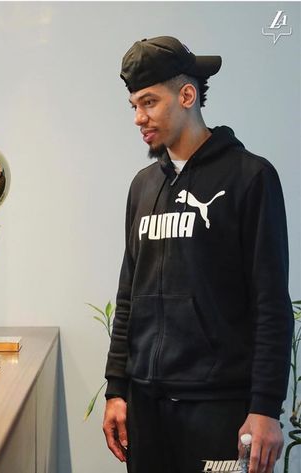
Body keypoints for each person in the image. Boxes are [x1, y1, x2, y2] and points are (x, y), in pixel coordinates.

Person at [103, 36, 293, 473]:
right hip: (146, 408)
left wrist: (266, 408)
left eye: (148, 102)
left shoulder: (252, 178)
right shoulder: (143, 186)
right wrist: (117, 389)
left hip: (219, 408)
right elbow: (129, 294)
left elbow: (270, 303)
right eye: (133, 104)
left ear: (187, 95)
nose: (138, 117)